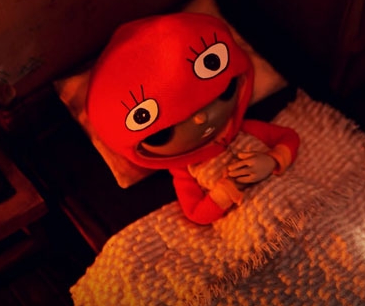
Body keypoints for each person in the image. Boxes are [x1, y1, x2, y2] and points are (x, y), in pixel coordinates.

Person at [86, 12, 299, 224]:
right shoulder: (185, 170)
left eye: (220, 95)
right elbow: (196, 213)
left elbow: (289, 138)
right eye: (164, 132)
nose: (200, 119)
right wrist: (226, 191)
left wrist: (272, 161)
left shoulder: (243, 129)